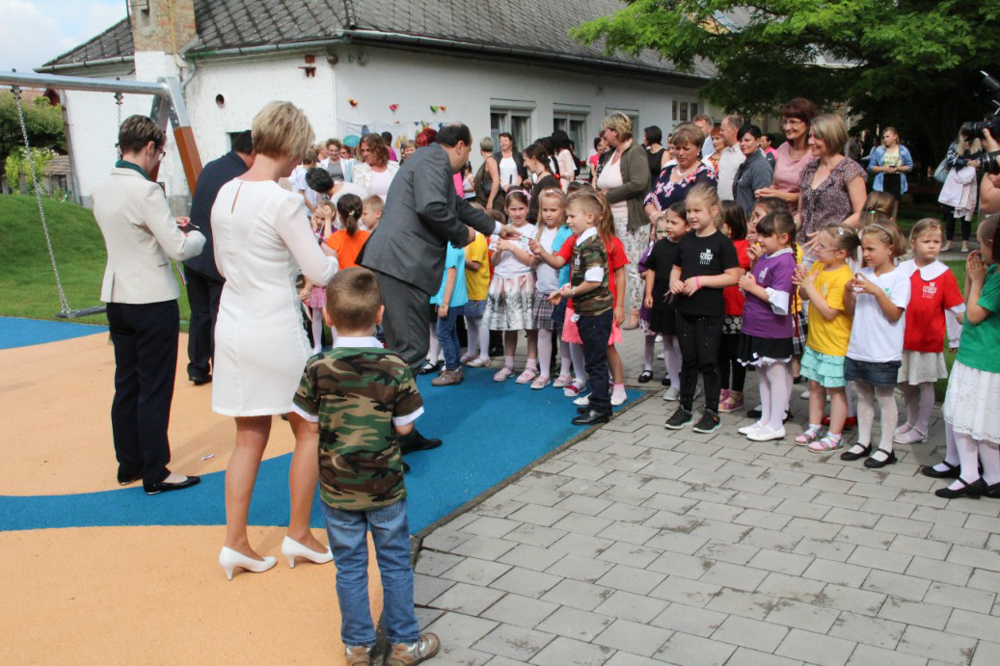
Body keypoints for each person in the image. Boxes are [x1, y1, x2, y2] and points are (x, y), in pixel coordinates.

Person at [212, 101, 339, 579]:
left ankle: (235, 542)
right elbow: (319, 271)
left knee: (248, 437)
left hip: (233, 321)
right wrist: (329, 252)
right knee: (308, 428)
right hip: (274, 325)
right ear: (289, 146)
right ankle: (299, 533)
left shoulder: (226, 191)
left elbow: (222, 265)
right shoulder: (281, 200)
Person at [292, 268, 440, 665]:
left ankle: (357, 646)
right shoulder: (394, 364)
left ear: (327, 316)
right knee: (394, 564)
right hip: (385, 486)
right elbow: (406, 427)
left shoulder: (317, 365)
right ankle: (405, 643)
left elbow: (308, 423)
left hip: (337, 487)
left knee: (350, 567)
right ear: (380, 313)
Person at [359, 122, 516, 451]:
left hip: (397, 263)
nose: (467, 159)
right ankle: (390, 434)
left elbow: (455, 205)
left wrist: (496, 227)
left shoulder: (428, 160)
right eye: (468, 152)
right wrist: (463, 235)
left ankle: (399, 430)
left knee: (404, 348)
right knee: (410, 349)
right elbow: (432, 208)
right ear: (459, 146)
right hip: (402, 265)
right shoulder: (434, 161)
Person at [92, 114, 206, 494]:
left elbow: (132, 232)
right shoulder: (146, 191)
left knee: (126, 382)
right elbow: (178, 248)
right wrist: (197, 235)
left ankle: (129, 463)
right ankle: (156, 470)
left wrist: (167, 225)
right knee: (155, 386)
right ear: (150, 148)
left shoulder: (101, 188)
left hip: (117, 294)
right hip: (151, 298)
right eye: (159, 153)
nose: (159, 160)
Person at [929, 216, 1000, 499]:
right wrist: (972, 278)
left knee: (977, 419)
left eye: (981, 244)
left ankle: (989, 477)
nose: (978, 250)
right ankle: (971, 473)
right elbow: (970, 304)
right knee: (962, 414)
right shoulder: (992, 271)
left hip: (984, 361)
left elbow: (973, 314)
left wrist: (979, 280)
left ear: (993, 244)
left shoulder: (997, 279)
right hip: (973, 356)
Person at [665, 184, 741, 433]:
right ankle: (685, 407)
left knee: (708, 361)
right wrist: (674, 282)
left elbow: (733, 276)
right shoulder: (686, 240)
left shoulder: (722, 243)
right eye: (689, 211)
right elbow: (677, 267)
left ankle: (711, 411)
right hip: (684, 310)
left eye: (697, 210)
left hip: (709, 312)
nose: (692, 216)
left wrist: (701, 281)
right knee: (688, 360)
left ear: (714, 211)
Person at [183, 129, 254, 386]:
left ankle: (197, 366)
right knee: (219, 315)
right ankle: (221, 366)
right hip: (216, 255)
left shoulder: (212, 166)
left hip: (195, 252)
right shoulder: (239, 177)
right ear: (254, 152)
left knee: (200, 313)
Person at [839, 224, 910, 468]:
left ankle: (887, 447)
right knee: (863, 394)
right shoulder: (863, 273)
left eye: (871, 249)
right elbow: (851, 309)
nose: (866, 254)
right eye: (863, 248)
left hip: (884, 350)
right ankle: (864, 441)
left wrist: (877, 292)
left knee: (885, 396)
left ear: (889, 249)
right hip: (859, 346)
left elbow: (894, 314)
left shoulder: (899, 277)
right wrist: (848, 291)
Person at [547, 191, 616, 426]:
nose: (567, 221)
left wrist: (571, 292)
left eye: (571, 216)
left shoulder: (592, 244)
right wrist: (565, 289)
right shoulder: (582, 241)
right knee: (593, 360)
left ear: (589, 217)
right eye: (567, 216)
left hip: (596, 313)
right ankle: (600, 403)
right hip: (588, 311)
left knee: (595, 362)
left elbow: (594, 280)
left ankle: (600, 408)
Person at [895, 219, 964, 445]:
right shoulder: (902, 270)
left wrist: (955, 339)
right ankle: (911, 420)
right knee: (906, 382)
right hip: (903, 338)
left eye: (937, 241)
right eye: (927, 241)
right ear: (913, 242)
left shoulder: (943, 274)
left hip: (927, 341)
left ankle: (922, 427)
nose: (932, 245)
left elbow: (955, 308)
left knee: (925, 383)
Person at [793, 225, 859, 453]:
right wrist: (804, 283)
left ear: (840, 253)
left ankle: (835, 435)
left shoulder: (843, 277)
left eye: (822, 246)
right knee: (814, 385)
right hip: (816, 341)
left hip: (834, 345)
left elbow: (829, 312)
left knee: (835, 390)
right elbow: (804, 294)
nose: (816, 250)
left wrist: (809, 287)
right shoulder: (820, 266)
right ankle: (814, 427)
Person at [735, 211, 798, 442]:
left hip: (772, 329)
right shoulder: (767, 257)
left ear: (783, 237)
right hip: (756, 326)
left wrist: (752, 288)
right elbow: (760, 284)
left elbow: (780, 300)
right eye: (759, 234)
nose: (760, 239)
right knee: (762, 374)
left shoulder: (785, 262)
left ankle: (776, 423)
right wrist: (752, 277)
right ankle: (766, 419)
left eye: (766, 235)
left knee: (775, 374)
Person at [597, 112, 652, 329]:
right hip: (611, 217)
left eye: (607, 132)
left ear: (616, 132)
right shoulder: (613, 153)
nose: (604, 136)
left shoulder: (635, 151)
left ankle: (636, 311)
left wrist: (608, 196)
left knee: (633, 264)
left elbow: (639, 183)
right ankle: (615, 307)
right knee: (615, 263)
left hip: (630, 217)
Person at [484, 190, 539, 382]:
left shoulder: (531, 231)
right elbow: (494, 260)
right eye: (513, 209)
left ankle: (531, 365)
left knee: (530, 326)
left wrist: (511, 247)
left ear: (528, 208)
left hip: (523, 280)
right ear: (506, 210)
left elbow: (531, 260)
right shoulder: (501, 231)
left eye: (521, 208)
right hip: (502, 281)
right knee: (509, 326)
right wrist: (500, 248)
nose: (517, 213)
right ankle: (508, 364)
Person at [798, 114, 868, 249]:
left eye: (817, 137)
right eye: (810, 136)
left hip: (834, 248)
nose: (810, 141)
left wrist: (829, 233)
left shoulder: (849, 169)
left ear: (832, 137)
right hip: (803, 245)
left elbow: (861, 214)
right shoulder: (809, 169)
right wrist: (785, 226)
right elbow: (801, 212)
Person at [529, 188, 573, 389]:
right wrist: (534, 258)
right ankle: (544, 372)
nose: (548, 214)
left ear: (563, 210)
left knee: (564, 334)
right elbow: (533, 262)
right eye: (545, 209)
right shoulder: (537, 230)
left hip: (561, 290)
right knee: (544, 333)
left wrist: (543, 254)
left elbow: (559, 260)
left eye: (553, 210)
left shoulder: (566, 231)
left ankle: (565, 372)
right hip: (543, 289)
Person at [643, 202, 687, 400]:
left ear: (687, 225)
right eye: (667, 221)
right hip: (662, 299)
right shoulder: (660, 246)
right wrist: (649, 294)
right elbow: (651, 269)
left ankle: (688, 383)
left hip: (681, 301)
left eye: (674, 223)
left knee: (680, 342)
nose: (668, 226)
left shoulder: (689, 246)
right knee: (667, 341)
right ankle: (675, 384)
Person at [756, 98, 820, 213]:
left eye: (793, 122)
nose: (787, 127)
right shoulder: (783, 148)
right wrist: (767, 192)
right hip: (778, 214)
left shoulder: (816, 154)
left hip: (802, 216)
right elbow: (775, 183)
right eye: (785, 122)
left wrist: (780, 195)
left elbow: (813, 194)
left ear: (808, 123)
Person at [718, 202, 751, 413]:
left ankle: (737, 392)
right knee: (720, 352)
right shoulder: (716, 244)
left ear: (729, 225)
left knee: (736, 354)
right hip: (718, 308)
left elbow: (736, 273)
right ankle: (722, 388)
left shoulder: (743, 246)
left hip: (736, 309)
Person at [644, 123, 718, 218]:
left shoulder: (706, 174)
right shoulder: (667, 170)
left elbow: (696, 206)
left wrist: (664, 217)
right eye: (677, 148)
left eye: (686, 149)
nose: (681, 153)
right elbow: (649, 197)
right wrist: (654, 215)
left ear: (698, 149)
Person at [429, 240, 468, 387]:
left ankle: (452, 370)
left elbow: (451, 276)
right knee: (450, 333)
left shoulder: (450, 247)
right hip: (448, 298)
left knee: (443, 333)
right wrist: (440, 300)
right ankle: (455, 368)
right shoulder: (450, 245)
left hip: (450, 299)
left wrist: (444, 302)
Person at [301, 201, 336, 354]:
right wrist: (314, 229)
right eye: (317, 218)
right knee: (316, 314)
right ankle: (317, 345)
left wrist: (327, 221)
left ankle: (336, 344)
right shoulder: (311, 233)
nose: (320, 221)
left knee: (332, 314)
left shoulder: (334, 232)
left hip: (330, 279)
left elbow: (329, 242)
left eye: (323, 218)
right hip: (316, 279)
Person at [940, 132, 982, 252]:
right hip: (954, 183)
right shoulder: (954, 145)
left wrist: (973, 163)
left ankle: (965, 244)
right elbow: (950, 160)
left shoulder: (977, 147)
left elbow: (980, 163)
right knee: (950, 216)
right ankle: (949, 243)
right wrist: (967, 162)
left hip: (968, 185)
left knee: (966, 217)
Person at [460, 218, 492, 368]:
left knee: (480, 321)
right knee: (470, 321)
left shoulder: (478, 238)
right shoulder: (466, 237)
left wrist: (457, 255)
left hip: (478, 288)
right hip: (467, 288)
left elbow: (475, 265)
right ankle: (471, 351)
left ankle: (484, 355)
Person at [732, 124, 774, 216]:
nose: (743, 144)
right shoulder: (746, 163)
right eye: (740, 141)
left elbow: (762, 201)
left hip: (752, 221)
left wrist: (752, 220)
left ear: (758, 141)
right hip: (740, 219)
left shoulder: (761, 166)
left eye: (747, 140)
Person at [868, 127, 913, 201]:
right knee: (883, 204)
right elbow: (871, 167)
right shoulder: (879, 150)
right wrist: (884, 168)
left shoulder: (903, 150)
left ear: (895, 136)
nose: (885, 139)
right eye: (884, 137)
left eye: (887, 136)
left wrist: (898, 168)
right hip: (882, 180)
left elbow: (909, 166)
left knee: (895, 203)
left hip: (897, 179)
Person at [326, 194, 370, 269]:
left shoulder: (334, 238)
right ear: (360, 214)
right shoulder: (368, 237)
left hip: (342, 276)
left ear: (340, 216)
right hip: (363, 275)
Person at [522, 142, 561, 224]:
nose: (524, 164)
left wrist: (527, 211)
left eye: (525, 160)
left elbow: (549, 208)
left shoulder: (548, 181)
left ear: (533, 159)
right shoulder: (540, 179)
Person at [354, 132, 400, 200]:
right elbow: (360, 195)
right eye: (363, 151)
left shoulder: (394, 166)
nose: (365, 154)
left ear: (379, 150)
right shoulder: (359, 169)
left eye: (368, 150)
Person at [716, 114, 746, 202]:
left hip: (736, 205)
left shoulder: (745, 153)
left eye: (722, 130)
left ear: (733, 130)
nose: (720, 133)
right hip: (721, 204)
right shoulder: (725, 152)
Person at [473, 136, 503, 212]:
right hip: (488, 199)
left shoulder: (490, 160)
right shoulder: (489, 160)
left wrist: (490, 201)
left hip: (494, 202)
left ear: (480, 148)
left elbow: (496, 181)